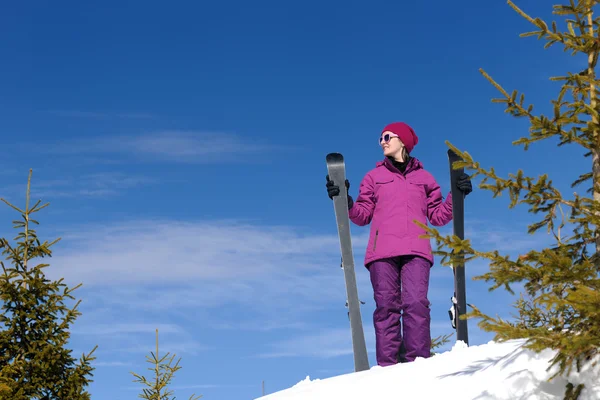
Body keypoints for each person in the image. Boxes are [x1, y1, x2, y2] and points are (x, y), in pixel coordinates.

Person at [325, 121, 472, 366]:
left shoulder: (424, 178)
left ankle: (418, 365)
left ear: (402, 140)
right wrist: (345, 201)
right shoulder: (374, 177)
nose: (382, 141)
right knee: (386, 308)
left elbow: (438, 216)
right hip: (381, 253)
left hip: (417, 250)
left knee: (416, 305)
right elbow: (362, 215)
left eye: (387, 137)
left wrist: (455, 195)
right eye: (380, 138)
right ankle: (388, 368)